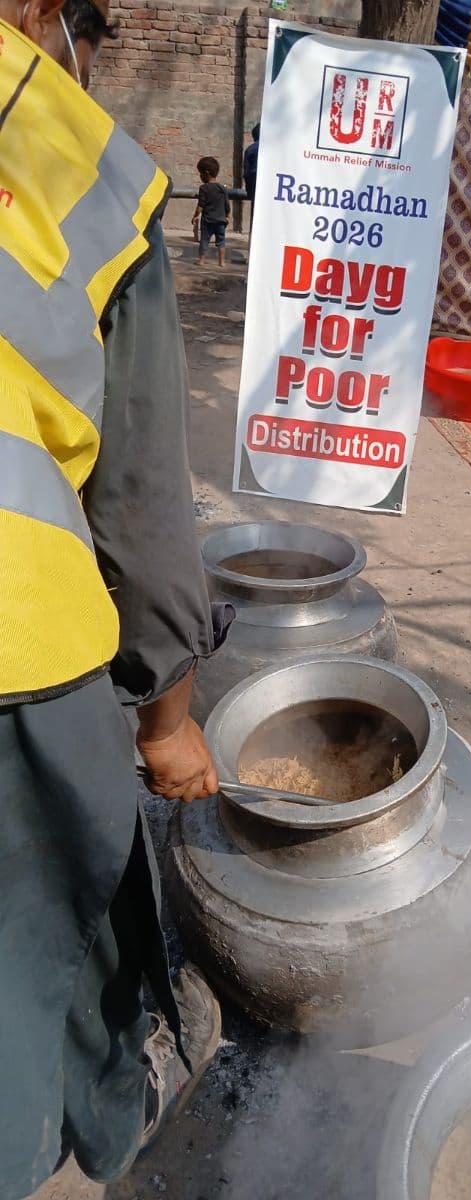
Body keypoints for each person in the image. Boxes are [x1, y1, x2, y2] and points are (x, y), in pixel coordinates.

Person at [0, 0, 234, 1195]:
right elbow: (143, 511)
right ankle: (81, 1128)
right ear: (43, 14)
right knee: (44, 966)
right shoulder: (77, 153)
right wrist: (167, 719)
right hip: (19, 662)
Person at [191, 155, 230, 267]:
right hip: (221, 221)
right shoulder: (223, 188)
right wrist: (227, 216)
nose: (200, 176)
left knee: (204, 241)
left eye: (200, 173)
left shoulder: (204, 188)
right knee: (221, 242)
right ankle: (222, 262)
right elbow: (227, 204)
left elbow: (200, 206)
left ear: (206, 173)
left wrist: (195, 216)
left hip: (208, 221)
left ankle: (201, 260)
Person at [243, 122, 260, 223]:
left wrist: (249, 190)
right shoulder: (274, 149)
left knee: (255, 214)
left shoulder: (250, 149)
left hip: (255, 184)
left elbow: (246, 173)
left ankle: (254, 237)